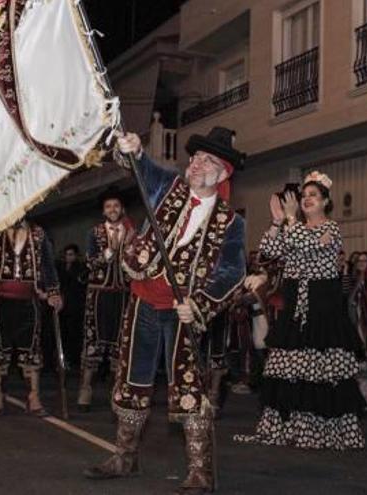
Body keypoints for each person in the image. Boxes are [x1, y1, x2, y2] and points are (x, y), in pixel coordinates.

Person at [84, 128, 246, 495]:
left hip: (182, 311)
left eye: (205, 160)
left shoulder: (230, 223)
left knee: (189, 384)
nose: (195, 163)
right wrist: (135, 150)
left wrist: (201, 304)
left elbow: (232, 272)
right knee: (133, 379)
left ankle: (200, 472)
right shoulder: (168, 188)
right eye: (195, 157)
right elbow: (142, 168)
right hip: (143, 299)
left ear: (222, 173)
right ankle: (125, 457)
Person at [235, 171, 365, 450]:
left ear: (326, 201)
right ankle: (291, 427)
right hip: (295, 303)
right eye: (303, 196)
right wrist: (276, 221)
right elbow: (268, 251)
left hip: (322, 304)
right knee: (289, 368)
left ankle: (321, 431)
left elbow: (306, 246)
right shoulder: (293, 228)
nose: (306, 200)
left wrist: (291, 218)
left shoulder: (330, 228)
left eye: (313, 196)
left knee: (321, 370)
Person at [0, 219, 62, 417]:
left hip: (29, 300)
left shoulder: (39, 233)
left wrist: (53, 292)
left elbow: (49, 265)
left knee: (31, 348)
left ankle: (33, 397)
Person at [77, 188, 134, 412]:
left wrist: (130, 256)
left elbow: (139, 264)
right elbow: (90, 262)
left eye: (116, 206)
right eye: (109, 206)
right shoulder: (95, 232)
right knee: (93, 340)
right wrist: (107, 254)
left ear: (122, 209)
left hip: (122, 293)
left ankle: (116, 391)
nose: (113, 209)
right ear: (103, 211)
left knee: (120, 343)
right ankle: (85, 388)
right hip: (98, 293)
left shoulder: (132, 232)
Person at [56, 244, 87, 370]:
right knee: (62, 333)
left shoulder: (80, 268)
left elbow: (80, 284)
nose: (68, 257)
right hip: (62, 306)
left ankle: (73, 360)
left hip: (75, 305)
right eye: (66, 254)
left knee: (74, 334)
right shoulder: (59, 267)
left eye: (71, 254)